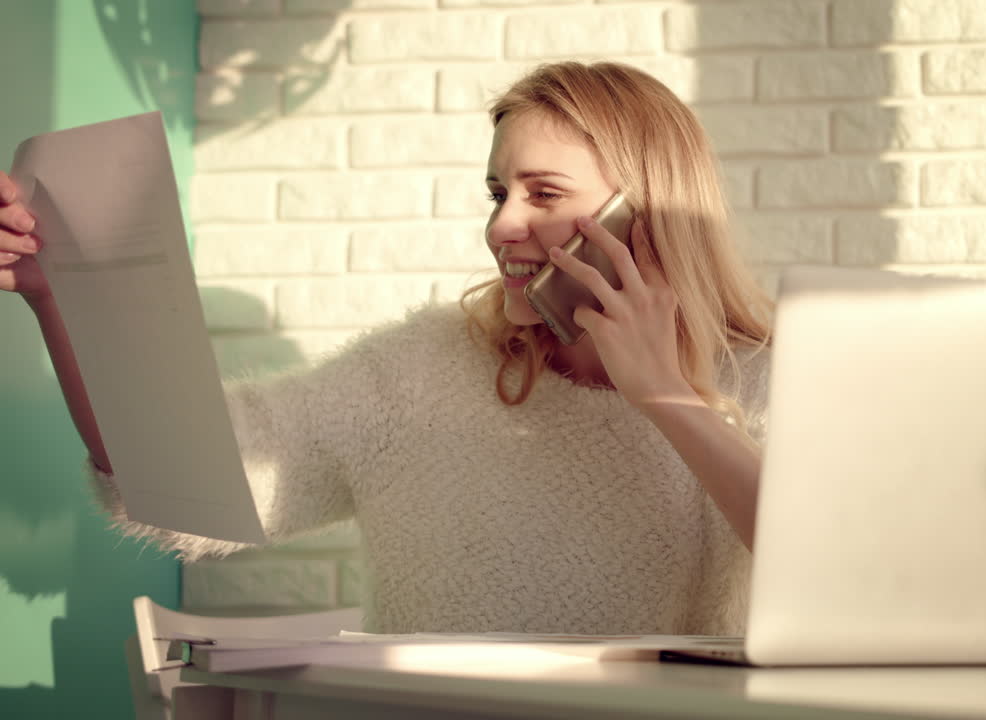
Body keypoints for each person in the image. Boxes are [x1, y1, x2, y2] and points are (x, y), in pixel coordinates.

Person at [0, 61, 773, 635]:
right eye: (498, 193)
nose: (501, 227)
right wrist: (56, 292)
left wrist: (668, 399)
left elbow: (832, 572)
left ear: (645, 211)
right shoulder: (420, 369)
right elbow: (180, 483)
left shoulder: (764, 380)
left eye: (543, 193)